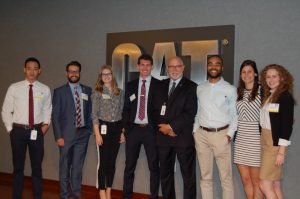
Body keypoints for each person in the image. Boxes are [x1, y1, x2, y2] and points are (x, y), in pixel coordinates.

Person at [1, 57, 52, 199]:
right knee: (18, 168)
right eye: (29, 68)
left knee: (37, 169)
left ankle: (37, 196)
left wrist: (45, 125)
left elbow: (48, 109)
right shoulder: (14, 87)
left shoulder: (45, 89)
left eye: (35, 69)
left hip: (37, 131)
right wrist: (10, 129)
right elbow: (6, 110)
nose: (32, 71)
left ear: (39, 71)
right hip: (17, 132)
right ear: (24, 69)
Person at [152, 56, 197, 199]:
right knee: (165, 175)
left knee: (188, 177)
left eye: (178, 66)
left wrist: (171, 127)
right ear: (167, 69)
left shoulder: (192, 87)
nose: (174, 69)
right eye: (171, 66)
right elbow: (153, 110)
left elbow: (190, 113)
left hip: (183, 138)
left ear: (183, 68)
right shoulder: (159, 85)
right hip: (163, 138)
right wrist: (163, 128)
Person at [193, 55, 237, 199]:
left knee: (226, 178)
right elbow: (198, 111)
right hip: (202, 136)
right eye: (211, 64)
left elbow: (235, 115)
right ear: (207, 67)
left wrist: (229, 134)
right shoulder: (200, 88)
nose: (213, 67)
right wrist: (195, 131)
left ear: (222, 67)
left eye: (217, 64)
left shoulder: (230, 89)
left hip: (221, 136)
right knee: (205, 177)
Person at [52, 61, 92, 199]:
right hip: (66, 136)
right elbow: (55, 116)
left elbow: (89, 113)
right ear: (66, 73)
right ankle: (64, 195)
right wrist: (58, 136)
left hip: (82, 135)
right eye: (71, 71)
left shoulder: (87, 90)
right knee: (64, 168)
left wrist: (89, 131)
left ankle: (76, 194)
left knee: (77, 168)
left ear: (79, 73)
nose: (74, 74)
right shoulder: (59, 91)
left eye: (76, 71)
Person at [122, 54, 160, 199]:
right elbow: (126, 109)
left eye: (148, 65)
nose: (145, 67)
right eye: (142, 65)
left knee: (154, 166)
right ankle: (127, 196)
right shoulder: (130, 85)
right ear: (138, 66)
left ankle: (154, 196)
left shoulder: (159, 84)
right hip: (133, 131)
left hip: (151, 131)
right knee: (129, 166)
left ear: (152, 67)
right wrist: (125, 129)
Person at [259, 64, 295, 199]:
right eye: (268, 77)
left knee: (264, 184)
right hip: (265, 140)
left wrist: (281, 152)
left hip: (275, 144)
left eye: (274, 76)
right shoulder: (270, 95)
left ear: (282, 78)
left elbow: (287, 126)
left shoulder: (284, 97)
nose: (271, 80)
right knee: (275, 185)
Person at [91, 65, 125, 199]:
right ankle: (101, 191)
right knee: (103, 162)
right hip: (103, 129)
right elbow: (94, 115)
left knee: (112, 162)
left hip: (116, 128)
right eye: (103, 74)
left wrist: (122, 132)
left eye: (108, 73)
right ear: (100, 77)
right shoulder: (97, 92)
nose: (106, 76)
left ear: (112, 75)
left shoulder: (120, 92)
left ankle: (109, 190)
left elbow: (122, 113)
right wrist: (97, 134)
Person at [234, 60, 263, 199]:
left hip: (256, 141)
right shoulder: (238, 92)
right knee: (246, 180)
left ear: (255, 73)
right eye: (244, 72)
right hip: (240, 141)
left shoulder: (263, 91)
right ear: (240, 75)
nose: (247, 74)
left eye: (250, 71)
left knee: (257, 181)